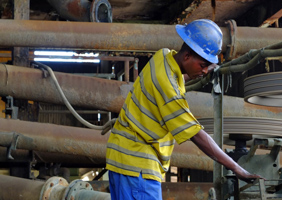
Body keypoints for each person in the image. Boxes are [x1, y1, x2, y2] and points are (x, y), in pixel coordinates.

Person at [105, 19, 262, 200]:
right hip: (137, 165)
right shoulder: (169, 91)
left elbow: (177, 76)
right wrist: (237, 168)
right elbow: (195, 133)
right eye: (202, 65)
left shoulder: (163, 56)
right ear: (187, 56)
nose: (204, 72)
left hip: (123, 158)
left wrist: (206, 68)